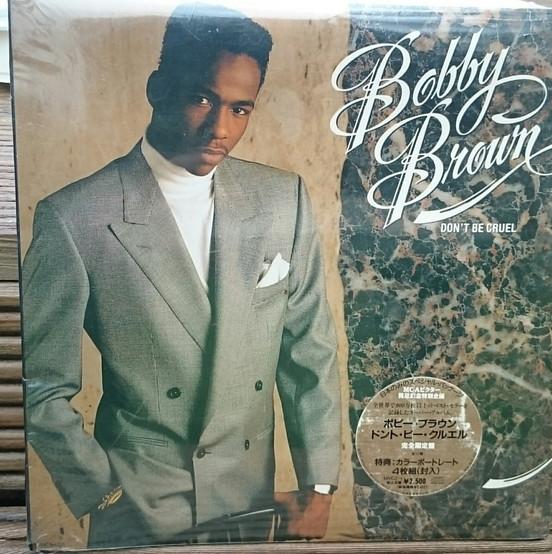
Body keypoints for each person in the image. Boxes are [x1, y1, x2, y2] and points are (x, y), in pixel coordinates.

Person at [22, 3, 341, 548]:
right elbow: (41, 386)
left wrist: (318, 488)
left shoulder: (281, 199)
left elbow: (309, 354)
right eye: (202, 99)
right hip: (140, 509)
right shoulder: (75, 217)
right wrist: (103, 493)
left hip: (250, 504)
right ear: (157, 89)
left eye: (241, 109)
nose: (221, 128)